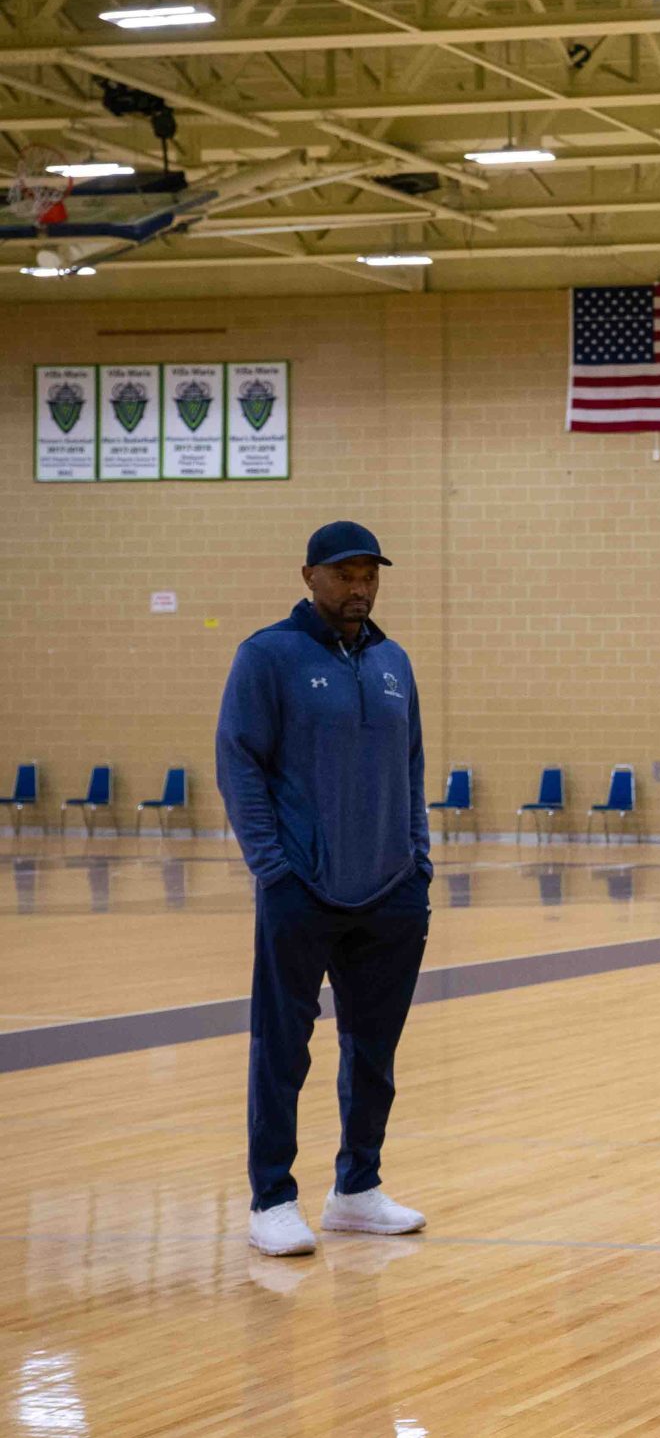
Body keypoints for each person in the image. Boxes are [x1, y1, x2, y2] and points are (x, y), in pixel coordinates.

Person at [215, 520, 435, 1259]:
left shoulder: (394, 661)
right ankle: (273, 1197)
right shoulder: (267, 656)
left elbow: (411, 766)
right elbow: (239, 762)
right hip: (300, 888)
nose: (359, 587)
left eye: (370, 573)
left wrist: (418, 859)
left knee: (374, 1051)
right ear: (309, 575)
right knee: (282, 1048)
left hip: (391, 889)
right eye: (344, 573)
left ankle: (357, 1190)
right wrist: (272, 866)